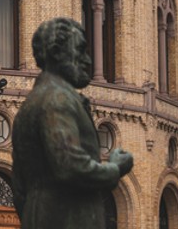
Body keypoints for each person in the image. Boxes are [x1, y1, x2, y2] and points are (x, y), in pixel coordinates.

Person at [11, 17, 133, 228]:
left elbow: (19, 190)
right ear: (57, 52)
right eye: (81, 50)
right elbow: (71, 167)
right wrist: (115, 168)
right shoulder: (57, 99)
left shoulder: (31, 104)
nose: (88, 60)